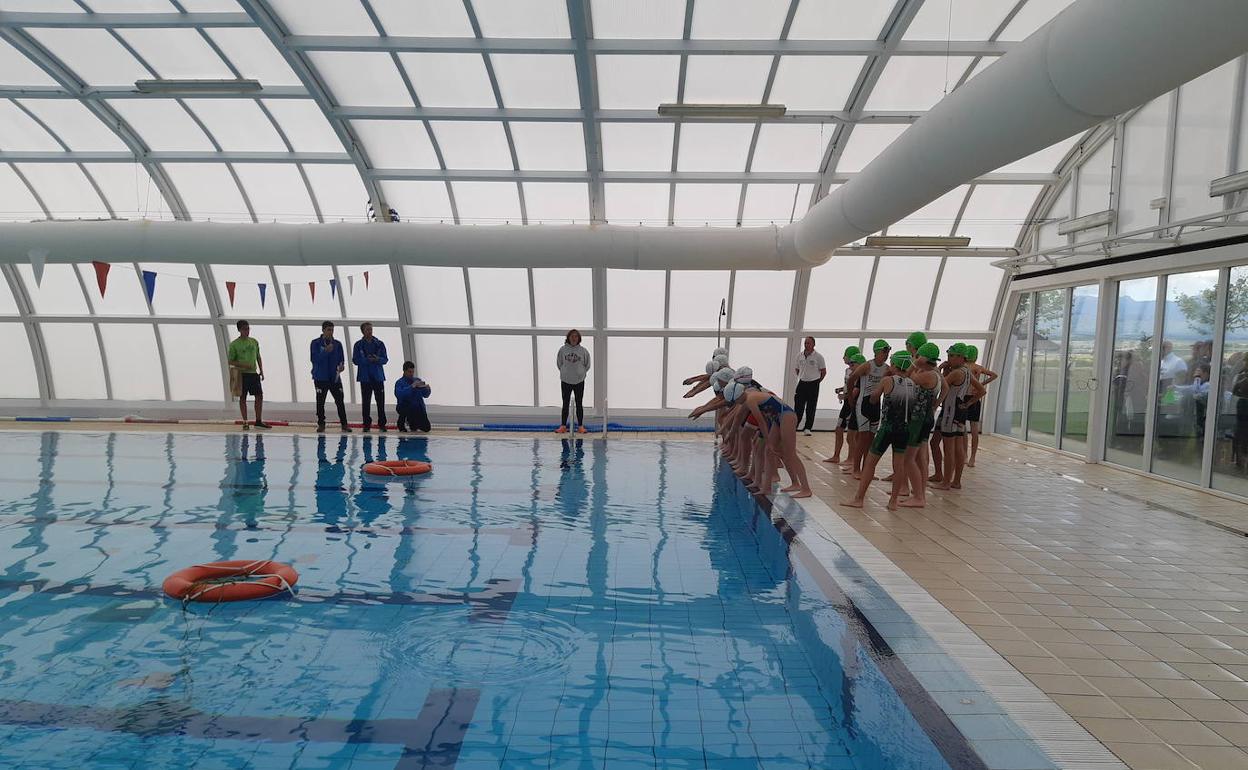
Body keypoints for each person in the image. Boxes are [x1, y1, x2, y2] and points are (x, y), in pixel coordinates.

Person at [845, 351, 915, 510]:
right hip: (904, 430)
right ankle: (893, 502)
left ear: (895, 365)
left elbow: (873, 398)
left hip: (887, 428)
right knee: (899, 466)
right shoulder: (912, 384)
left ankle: (859, 499)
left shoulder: (887, 380)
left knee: (870, 463)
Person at [930, 343, 986, 490]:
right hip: (958, 411)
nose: (948, 358)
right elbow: (981, 390)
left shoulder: (957, 373)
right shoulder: (967, 371)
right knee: (953, 446)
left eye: (951, 356)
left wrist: (940, 369)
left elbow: (940, 385)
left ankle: (946, 482)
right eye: (948, 355)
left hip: (950, 412)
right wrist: (968, 404)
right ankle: (955, 481)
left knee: (950, 449)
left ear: (961, 357)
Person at [847, 340, 892, 479]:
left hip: (875, 405)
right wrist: (850, 398)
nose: (886, 355)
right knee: (862, 438)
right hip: (863, 404)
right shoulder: (867, 366)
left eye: (888, 352)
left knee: (871, 440)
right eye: (884, 352)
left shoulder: (887, 368)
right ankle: (856, 468)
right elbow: (851, 379)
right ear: (877, 352)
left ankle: (866, 469)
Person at [227, 320, 270, 430]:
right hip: (242, 375)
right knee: (243, 397)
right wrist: (243, 365)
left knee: (259, 396)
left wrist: (261, 370)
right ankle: (245, 421)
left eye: (248, 328)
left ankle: (258, 420)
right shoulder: (234, 345)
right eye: (245, 329)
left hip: (253, 374)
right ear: (239, 330)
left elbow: (258, 356)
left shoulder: (254, 341)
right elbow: (230, 361)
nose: (247, 331)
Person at [311, 321, 351, 433]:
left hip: (334, 378)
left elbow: (341, 359)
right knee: (320, 402)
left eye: (332, 330)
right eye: (328, 330)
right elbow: (314, 359)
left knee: (340, 401)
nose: (331, 332)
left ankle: (344, 424)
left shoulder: (337, 344)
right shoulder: (315, 343)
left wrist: (342, 366)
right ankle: (321, 424)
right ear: (323, 330)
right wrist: (325, 351)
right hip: (320, 377)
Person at [825, 345, 861, 465]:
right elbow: (848, 386)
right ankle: (836, 456)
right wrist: (841, 389)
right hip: (846, 403)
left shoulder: (858, 373)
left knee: (851, 435)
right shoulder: (847, 370)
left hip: (852, 403)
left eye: (845, 355)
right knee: (839, 429)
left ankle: (852, 459)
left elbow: (856, 390)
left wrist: (844, 396)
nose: (843, 357)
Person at [964, 344, 998, 468]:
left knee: (962, 429)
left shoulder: (963, 367)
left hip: (965, 397)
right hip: (975, 398)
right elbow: (994, 375)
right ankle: (972, 457)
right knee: (974, 430)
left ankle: (965, 455)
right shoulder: (978, 368)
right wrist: (981, 384)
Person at [352, 322, 389, 432]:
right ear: (363, 331)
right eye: (368, 329)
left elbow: (385, 359)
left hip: (377, 376)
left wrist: (377, 359)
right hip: (365, 377)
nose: (370, 331)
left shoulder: (379, 344)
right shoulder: (358, 345)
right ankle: (366, 424)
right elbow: (355, 360)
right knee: (366, 402)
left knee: (380, 402)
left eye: (371, 329)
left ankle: (382, 423)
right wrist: (367, 360)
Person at [555, 329, 591, 434]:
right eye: (572, 336)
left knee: (579, 403)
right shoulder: (562, 350)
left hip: (579, 381)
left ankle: (580, 426)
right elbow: (559, 363)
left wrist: (581, 373)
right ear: (568, 338)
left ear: (579, 338)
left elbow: (587, 365)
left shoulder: (583, 351)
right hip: (566, 380)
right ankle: (563, 426)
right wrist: (565, 372)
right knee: (565, 403)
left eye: (576, 336)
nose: (574, 338)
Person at [792, 337, 827, 437]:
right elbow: (797, 369)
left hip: (813, 383)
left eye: (808, 343)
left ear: (813, 344)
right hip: (802, 383)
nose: (806, 345)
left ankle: (808, 428)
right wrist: (801, 376)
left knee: (811, 407)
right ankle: (795, 426)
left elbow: (823, 371)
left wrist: (817, 381)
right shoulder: (799, 356)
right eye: (805, 343)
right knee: (798, 406)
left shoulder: (818, 357)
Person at [394, 361, 432, 433]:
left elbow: (425, 395)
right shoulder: (399, 382)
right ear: (404, 371)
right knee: (404, 407)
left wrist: (428, 389)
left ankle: (412, 422)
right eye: (409, 372)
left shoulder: (417, 380)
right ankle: (401, 424)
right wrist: (411, 387)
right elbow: (399, 395)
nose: (411, 374)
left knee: (426, 428)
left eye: (412, 372)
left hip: (417, 408)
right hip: (405, 407)